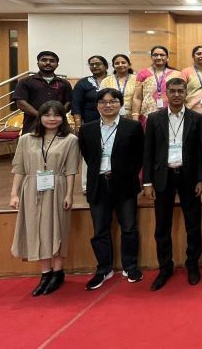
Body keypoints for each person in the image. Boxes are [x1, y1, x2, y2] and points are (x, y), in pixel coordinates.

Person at [9, 101, 79, 296]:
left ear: (62, 118)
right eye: (47, 115)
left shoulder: (70, 139)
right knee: (36, 230)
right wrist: (14, 194)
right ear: (40, 117)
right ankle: (45, 274)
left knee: (57, 230)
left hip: (57, 188)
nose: (51, 119)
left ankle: (58, 273)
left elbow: (72, 170)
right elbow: (19, 169)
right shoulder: (26, 139)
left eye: (56, 115)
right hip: (31, 188)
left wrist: (69, 194)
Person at [143, 78, 202, 291]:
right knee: (162, 226)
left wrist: (201, 179)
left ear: (186, 93)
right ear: (165, 93)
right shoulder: (154, 118)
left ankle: (192, 265)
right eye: (173, 91)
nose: (177, 94)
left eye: (181, 91)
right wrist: (147, 182)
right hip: (163, 177)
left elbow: (200, 152)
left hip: (189, 177)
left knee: (193, 224)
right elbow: (148, 152)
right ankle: (165, 268)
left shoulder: (197, 118)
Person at [78, 88, 145, 290]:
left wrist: (126, 173)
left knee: (129, 227)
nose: (108, 105)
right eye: (103, 102)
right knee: (99, 229)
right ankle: (103, 269)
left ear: (120, 104)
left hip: (124, 183)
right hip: (98, 184)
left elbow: (139, 155)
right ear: (97, 105)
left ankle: (130, 266)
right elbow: (88, 156)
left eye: (113, 101)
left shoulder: (132, 127)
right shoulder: (87, 129)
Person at [12, 50, 72, 134]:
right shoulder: (25, 81)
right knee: (32, 146)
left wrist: (56, 116)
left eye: (52, 61)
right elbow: (20, 103)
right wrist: (41, 116)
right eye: (44, 60)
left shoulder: (64, 83)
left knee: (60, 146)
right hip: (32, 125)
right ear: (38, 63)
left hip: (59, 125)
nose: (48, 63)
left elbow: (69, 102)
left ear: (57, 65)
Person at [72, 55, 108, 194]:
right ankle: (87, 185)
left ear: (105, 66)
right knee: (90, 153)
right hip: (90, 124)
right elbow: (76, 104)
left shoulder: (112, 80)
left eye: (98, 64)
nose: (95, 66)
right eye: (91, 64)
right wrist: (78, 124)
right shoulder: (83, 83)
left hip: (111, 123)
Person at [132, 45, 183, 128]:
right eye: (155, 55)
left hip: (172, 113)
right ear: (151, 57)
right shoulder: (143, 73)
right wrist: (135, 117)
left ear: (167, 58)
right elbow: (137, 97)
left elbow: (182, 95)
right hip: (147, 114)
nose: (159, 57)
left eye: (162, 55)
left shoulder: (177, 74)